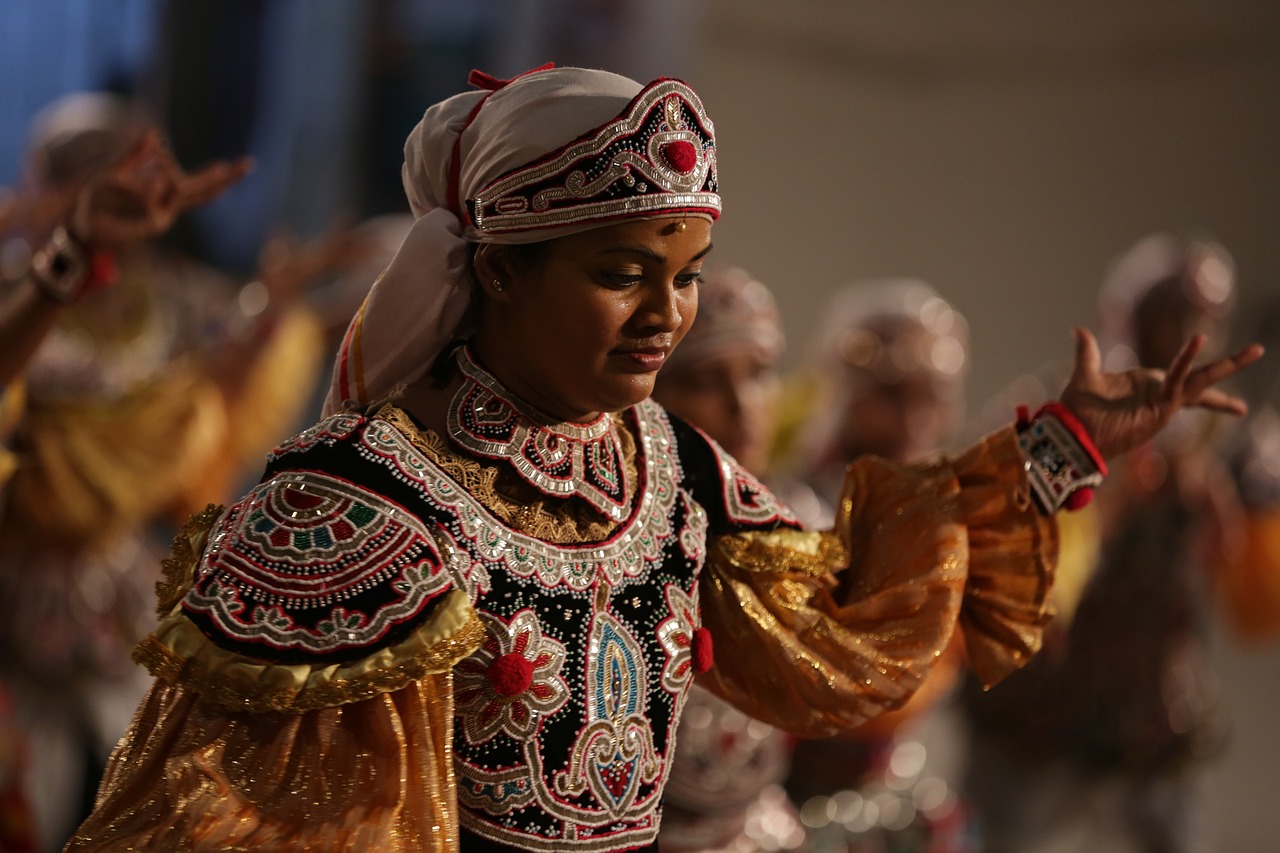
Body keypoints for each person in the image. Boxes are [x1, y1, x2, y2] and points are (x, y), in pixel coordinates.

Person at [64, 67, 1261, 853]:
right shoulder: (357, 506)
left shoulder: (664, 469)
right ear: (495, 269)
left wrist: (1063, 443)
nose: (663, 315)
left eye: (680, 277)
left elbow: (839, 622)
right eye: (619, 272)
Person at [0, 92, 339, 851]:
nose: (115, 189)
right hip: (14, 591)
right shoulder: (19, 293)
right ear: (48, 182)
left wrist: (294, 299)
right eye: (84, 174)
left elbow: (239, 357)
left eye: (125, 170)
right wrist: (71, 257)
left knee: (144, 791)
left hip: (123, 585)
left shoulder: (177, 300)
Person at [958, 233, 1280, 853]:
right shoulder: (1061, 405)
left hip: (1148, 709)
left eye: (1200, 321)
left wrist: (1244, 513)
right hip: (1039, 704)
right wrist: (1109, 485)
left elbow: (1257, 605)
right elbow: (984, 511)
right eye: (1165, 317)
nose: (1181, 336)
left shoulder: (1230, 438)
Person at [777, 279, 975, 852]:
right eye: (893, 394)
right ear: (846, 390)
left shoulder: (949, 513)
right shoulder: (799, 508)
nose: (914, 419)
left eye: (932, 396)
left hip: (899, 784)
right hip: (794, 791)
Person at [650, 267, 806, 852]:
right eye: (705, 381)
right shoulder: (621, 545)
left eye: (761, 374)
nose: (744, 406)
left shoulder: (801, 531)